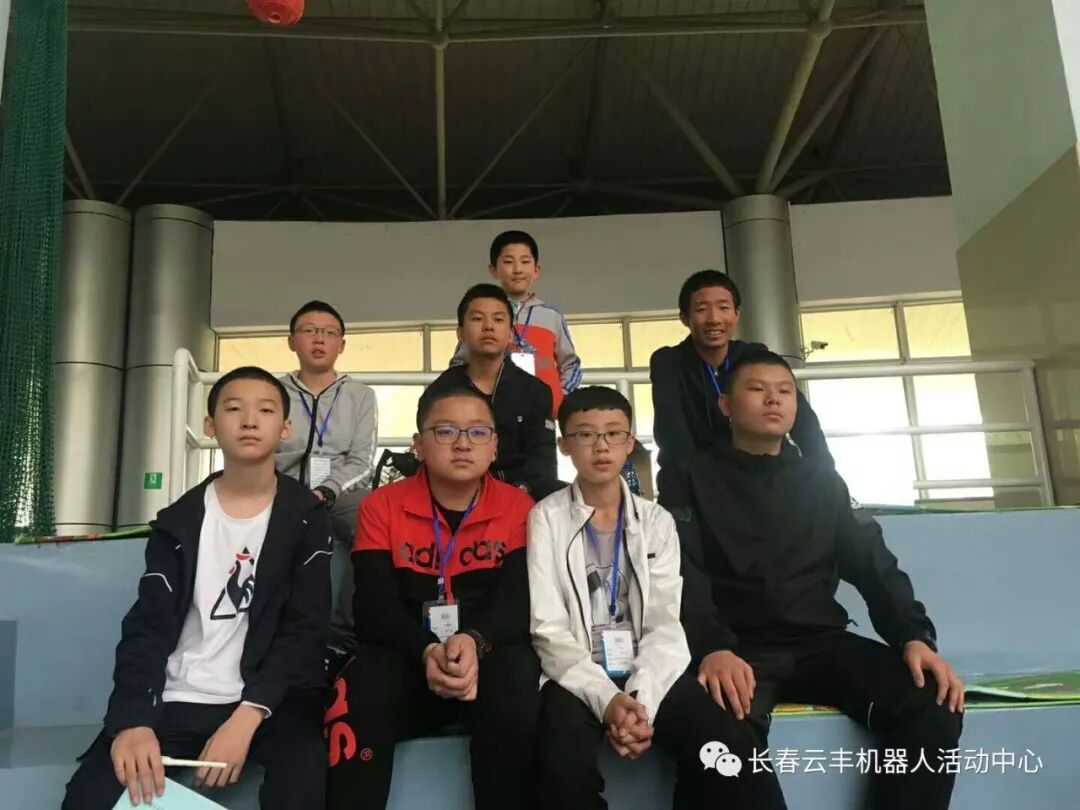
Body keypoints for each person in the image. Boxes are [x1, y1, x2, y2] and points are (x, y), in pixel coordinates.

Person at [660, 350, 964, 810]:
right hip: (737, 648)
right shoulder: (690, 476)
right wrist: (711, 648)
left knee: (932, 703)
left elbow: (873, 563)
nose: (773, 400)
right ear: (726, 405)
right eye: (757, 389)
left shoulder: (823, 480)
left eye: (785, 391)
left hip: (820, 643)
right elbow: (683, 571)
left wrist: (913, 636)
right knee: (718, 738)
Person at [63, 367, 331, 810]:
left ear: (285, 428)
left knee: (302, 781)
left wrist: (248, 715)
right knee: (87, 799)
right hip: (178, 695)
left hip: (271, 701)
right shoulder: (178, 521)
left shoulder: (306, 517)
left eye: (265, 410)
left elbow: (306, 629)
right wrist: (133, 720)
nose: (249, 420)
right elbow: (146, 627)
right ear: (210, 425)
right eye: (233, 408)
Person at [529, 386, 774, 808]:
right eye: (585, 434)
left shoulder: (655, 520)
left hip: (650, 670)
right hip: (575, 673)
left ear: (630, 442)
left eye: (613, 433)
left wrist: (639, 702)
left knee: (729, 745)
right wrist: (608, 700)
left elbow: (664, 621)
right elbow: (548, 628)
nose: (601, 446)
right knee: (561, 767)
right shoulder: (545, 517)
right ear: (564, 445)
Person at [326, 385, 540, 810]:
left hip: (488, 657)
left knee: (519, 681)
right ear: (418, 445)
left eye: (478, 432)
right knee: (356, 689)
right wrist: (426, 651)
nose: (463, 443)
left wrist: (474, 641)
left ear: (495, 446)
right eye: (445, 431)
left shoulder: (519, 507)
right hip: (408, 656)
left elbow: (518, 604)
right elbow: (372, 608)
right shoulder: (381, 506)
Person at [275, 300, 378, 672]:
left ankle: (342, 637)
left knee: (374, 518)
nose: (319, 339)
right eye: (309, 331)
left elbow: (362, 460)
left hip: (340, 494)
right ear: (292, 341)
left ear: (342, 344)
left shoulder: (360, 395)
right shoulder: (274, 391)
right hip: (282, 490)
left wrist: (328, 490)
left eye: (329, 333)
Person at [649, 269, 830, 477]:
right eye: (701, 309)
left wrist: (825, 472)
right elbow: (671, 433)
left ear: (737, 314)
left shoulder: (754, 356)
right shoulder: (669, 362)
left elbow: (803, 420)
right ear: (684, 318)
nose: (714, 318)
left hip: (759, 469)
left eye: (724, 308)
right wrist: (696, 484)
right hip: (697, 475)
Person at [429, 283, 559, 499]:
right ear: (460, 333)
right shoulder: (441, 391)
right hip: (455, 497)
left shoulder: (535, 392)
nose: (488, 327)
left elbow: (542, 465)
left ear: (510, 334)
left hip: (520, 499)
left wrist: (509, 496)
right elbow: (434, 457)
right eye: (477, 319)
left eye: (498, 320)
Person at [451, 229, 581, 416]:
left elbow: (571, 364)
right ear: (493, 270)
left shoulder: (551, 316)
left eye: (525, 262)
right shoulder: (483, 315)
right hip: (490, 413)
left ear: (536, 270)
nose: (518, 269)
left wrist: (560, 397)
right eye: (508, 262)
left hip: (541, 412)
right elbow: (459, 363)